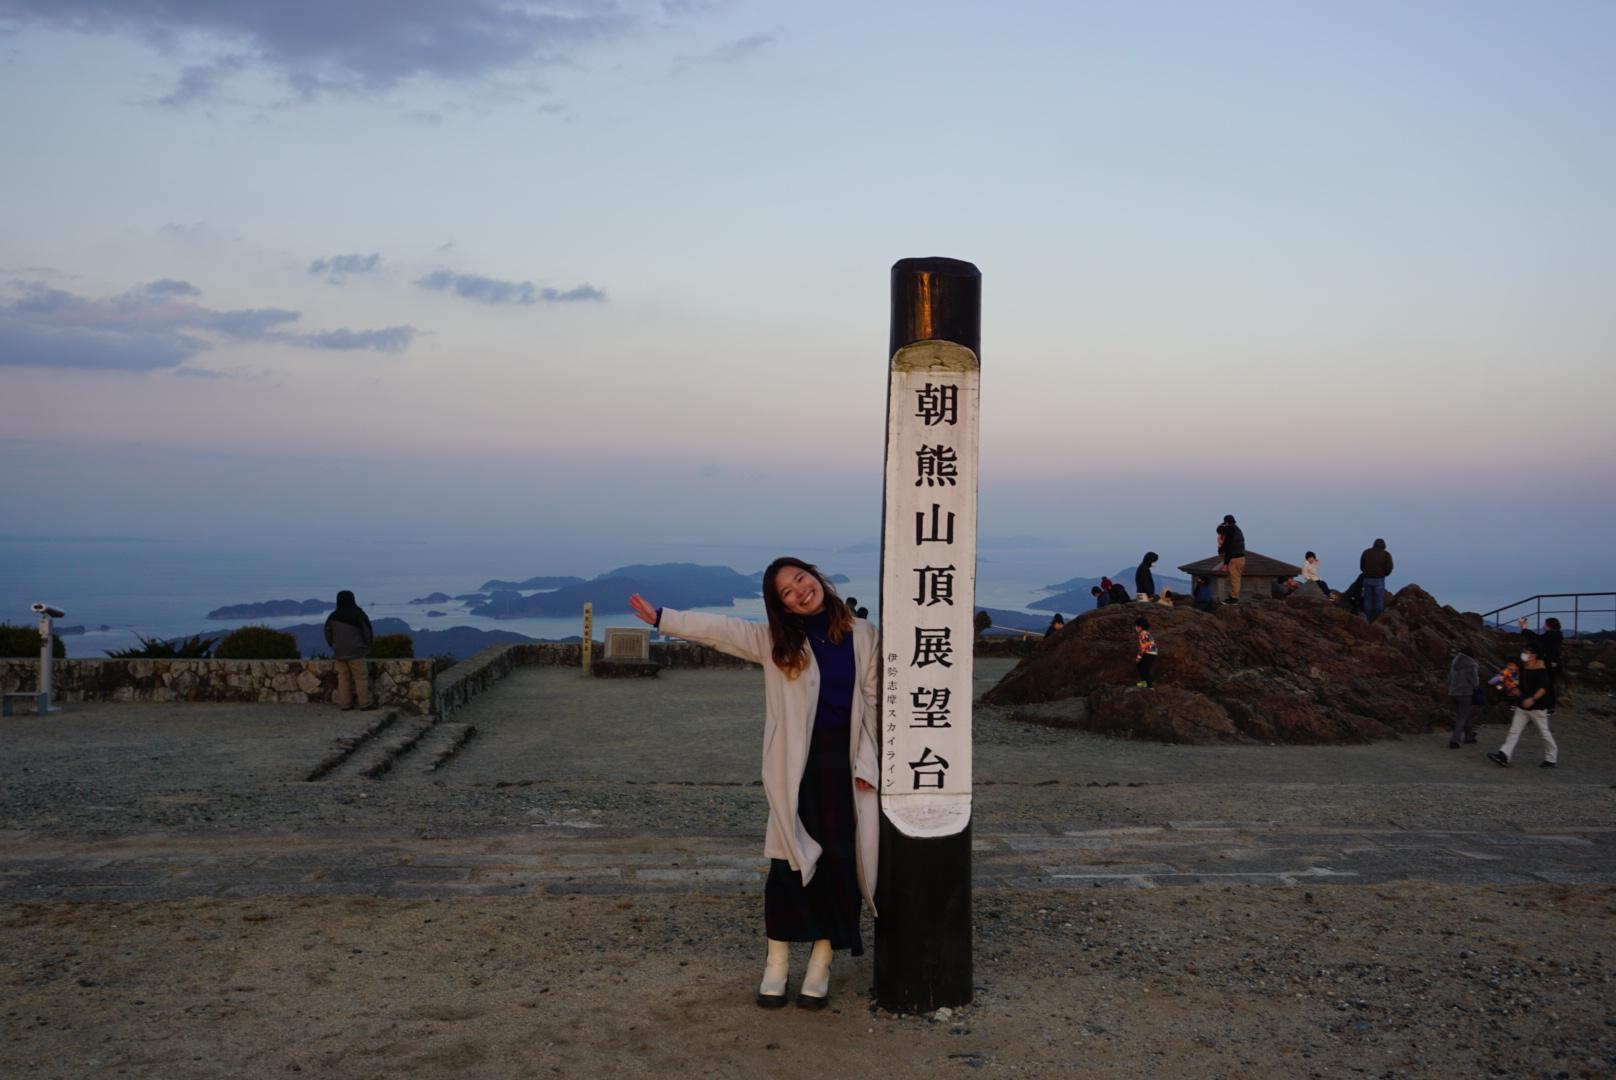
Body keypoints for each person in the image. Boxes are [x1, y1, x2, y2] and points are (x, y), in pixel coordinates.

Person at [628, 558, 877, 1010]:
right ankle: (776, 963)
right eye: (786, 591)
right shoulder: (776, 642)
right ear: (780, 604)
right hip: (794, 772)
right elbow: (721, 630)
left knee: (841, 869)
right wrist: (664, 618)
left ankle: (821, 965)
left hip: (845, 773)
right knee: (788, 868)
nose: (800, 591)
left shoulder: (863, 634)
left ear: (817, 578)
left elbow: (874, 703)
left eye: (801, 579)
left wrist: (870, 763)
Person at [1487, 641, 1559, 768]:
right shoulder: (1523, 668)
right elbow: (1518, 682)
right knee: (1514, 731)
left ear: (1534, 655)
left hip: (1537, 707)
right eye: (1524, 652)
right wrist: (1516, 691)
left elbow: (1543, 688)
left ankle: (1551, 758)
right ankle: (1504, 755)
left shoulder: (1540, 670)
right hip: (1522, 705)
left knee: (1544, 732)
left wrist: (1532, 699)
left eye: (1527, 652)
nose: (1524, 654)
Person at [323, 590, 375, 710]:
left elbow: (328, 634)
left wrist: (334, 646)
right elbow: (367, 633)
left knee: (343, 679)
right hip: (357, 652)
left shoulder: (332, 616)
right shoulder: (358, 614)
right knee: (361, 678)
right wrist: (367, 647)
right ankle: (364, 704)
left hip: (339, 653)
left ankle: (345, 704)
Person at [1518, 616, 1564, 692]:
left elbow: (1537, 639)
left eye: (1545, 624)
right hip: (1555, 663)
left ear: (1548, 626)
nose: (1543, 626)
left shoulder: (1550, 636)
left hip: (1549, 664)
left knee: (1545, 684)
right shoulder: (1557, 635)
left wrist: (1524, 629)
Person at [1447, 647, 1481, 748]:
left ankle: (1469, 736)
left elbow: (1449, 678)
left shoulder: (1454, 662)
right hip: (1465, 693)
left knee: (1464, 715)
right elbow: (1475, 682)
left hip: (1453, 693)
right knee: (1462, 717)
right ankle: (1454, 741)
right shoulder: (1471, 664)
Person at [1359, 538, 1394, 622]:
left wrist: (1365, 572)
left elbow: (1361, 566)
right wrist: (1385, 574)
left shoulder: (1366, 552)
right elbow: (1389, 567)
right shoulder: (1386, 554)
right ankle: (1377, 620)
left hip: (1367, 579)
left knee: (1367, 600)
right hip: (1379, 579)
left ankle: (1368, 620)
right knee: (1379, 600)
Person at [1216, 515, 1246, 603]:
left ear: (1226, 522)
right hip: (1241, 558)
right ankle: (1233, 596)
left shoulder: (1230, 529)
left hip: (1235, 558)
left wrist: (1220, 550)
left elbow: (1227, 545)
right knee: (1236, 578)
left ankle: (1234, 598)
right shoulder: (1236, 529)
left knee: (1234, 578)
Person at [1134, 615, 1158, 688]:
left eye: (1136, 626)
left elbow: (1142, 647)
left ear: (1140, 627)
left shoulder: (1142, 634)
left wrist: (1138, 657)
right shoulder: (1146, 632)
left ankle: (1149, 687)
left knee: (1144, 669)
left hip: (1149, 653)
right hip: (1152, 652)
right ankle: (1144, 683)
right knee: (1140, 666)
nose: (1135, 628)